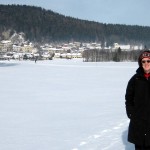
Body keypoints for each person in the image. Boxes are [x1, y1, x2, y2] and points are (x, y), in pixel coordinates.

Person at [125, 50, 150, 150]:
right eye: (143, 61)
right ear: (140, 63)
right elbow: (128, 98)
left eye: (148, 61)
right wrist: (131, 113)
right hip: (138, 123)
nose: (146, 63)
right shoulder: (135, 80)